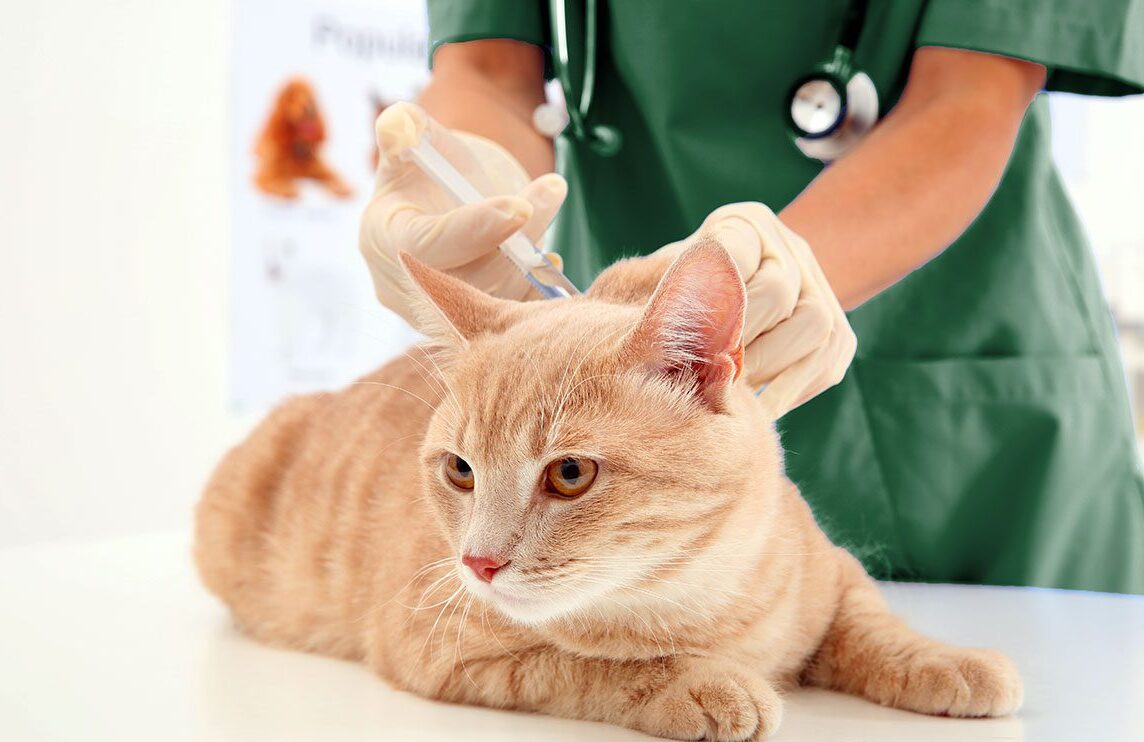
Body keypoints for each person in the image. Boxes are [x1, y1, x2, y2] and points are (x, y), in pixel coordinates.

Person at [359, 0, 1144, 594]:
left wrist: (765, 280)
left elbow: (971, 89)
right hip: (614, 380)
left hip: (956, 385)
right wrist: (472, 182)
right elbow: (489, 68)